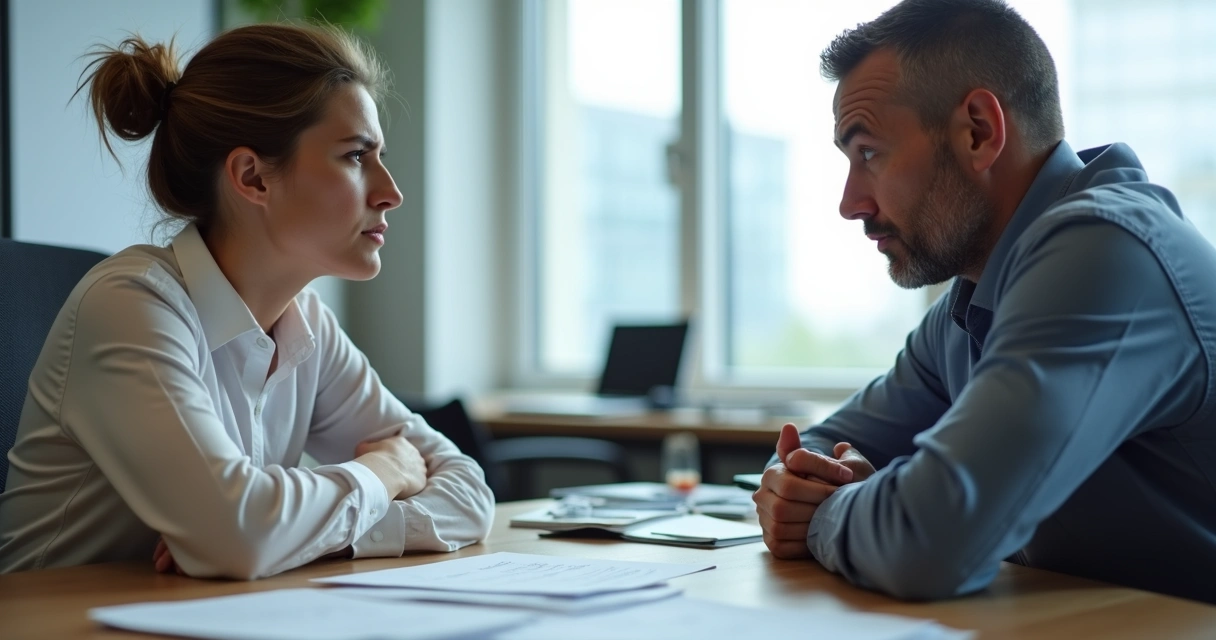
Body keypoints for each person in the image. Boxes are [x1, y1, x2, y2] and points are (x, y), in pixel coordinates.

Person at [752, 0, 1216, 604]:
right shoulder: (969, 303)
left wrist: (828, 513)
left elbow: (931, 540)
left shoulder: (1105, 251)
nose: (850, 203)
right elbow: (815, 445)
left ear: (978, 131)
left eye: (869, 153)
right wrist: (798, 486)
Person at [0, 23, 494, 579]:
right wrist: (383, 473)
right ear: (252, 176)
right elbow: (240, 535)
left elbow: (470, 496)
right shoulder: (130, 305)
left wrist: (313, 539)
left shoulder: (307, 326)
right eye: (357, 156)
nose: (391, 191)